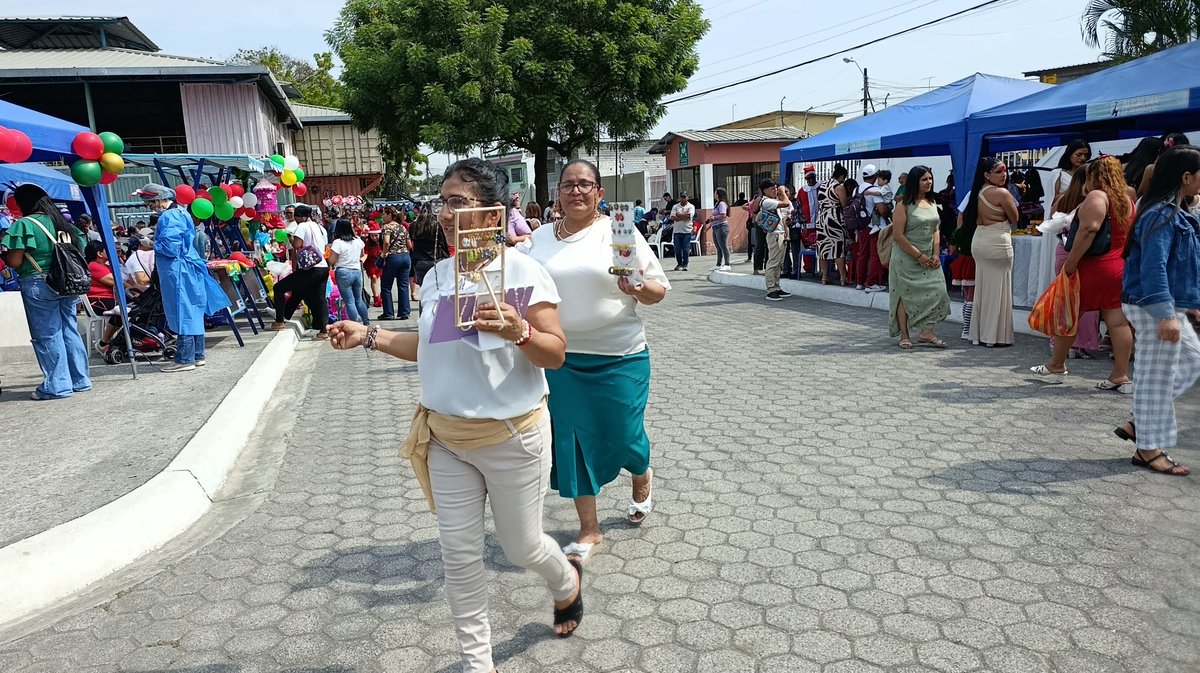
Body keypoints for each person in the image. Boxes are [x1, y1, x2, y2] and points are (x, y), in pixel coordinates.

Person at [333, 159, 585, 669]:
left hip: (514, 438)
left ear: (494, 210)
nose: (444, 213)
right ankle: (478, 664)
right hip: (445, 438)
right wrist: (372, 336)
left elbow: (555, 353)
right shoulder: (437, 278)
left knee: (522, 547)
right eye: (441, 202)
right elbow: (431, 347)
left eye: (457, 202)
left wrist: (521, 332)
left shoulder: (524, 273)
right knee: (460, 558)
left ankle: (566, 581)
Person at [524, 158, 669, 563]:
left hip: (620, 356)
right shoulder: (539, 238)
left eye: (585, 184)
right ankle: (590, 530)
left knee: (624, 436)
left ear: (599, 193)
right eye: (568, 185)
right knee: (572, 444)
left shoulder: (619, 231)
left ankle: (641, 472)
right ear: (557, 194)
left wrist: (638, 287)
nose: (575, 191)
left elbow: (658, 290)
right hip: (561, 360)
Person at [1116, 145, 1200, 476]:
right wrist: (1167, 313)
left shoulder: (1172, 212)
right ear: (1186, 177)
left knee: (1189, 364)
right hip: (1153, 305)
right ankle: (1148, 448)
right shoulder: (1161, 214)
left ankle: (1141, 423)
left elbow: (1178, 267)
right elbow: (1154, 268)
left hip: (1161, 304)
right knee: (1156, 376)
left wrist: (1188, 306)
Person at [1031, 156, 1136, 391]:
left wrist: (1071, 262)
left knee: (1068, 314)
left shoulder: (1097, 196)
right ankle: (1121, 375)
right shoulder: (1127, 199)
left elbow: (1089, 229)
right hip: (1117, 265)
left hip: (1093, 266)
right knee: (1118, 322)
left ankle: (1057, 363)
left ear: (1093, 175)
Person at [2, 184, 91, 399]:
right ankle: (80, 380)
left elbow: (15, 261)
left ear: (23, 204)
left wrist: (4, 255)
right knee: (69, 329)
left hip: (38, 281)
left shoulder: (24, 225)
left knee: (47, 334)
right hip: (69, 282)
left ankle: (57, 385)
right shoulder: (64, 223)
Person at [137, 184, 230, 371]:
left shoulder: (169, 216)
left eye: (149, 202)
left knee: (183, 313)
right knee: (193, 313)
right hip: (186, 269)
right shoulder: (181, 212)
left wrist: (151, 244)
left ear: (157, 199)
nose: (149, 206)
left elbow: (171, 248)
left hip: (178, 270)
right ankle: (197, 355)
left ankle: (184, 359)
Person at [889, 166, 951, 349]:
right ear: (915, 181)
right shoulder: (903, 206)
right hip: (906, 256)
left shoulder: (932, 204)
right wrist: (919, 256)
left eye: (930, 178)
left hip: (929, 257)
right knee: (905, 295)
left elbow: (936, 230)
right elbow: (898, 236)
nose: (929, 182)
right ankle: (905, 335)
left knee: (939, 291)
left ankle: (926, 332)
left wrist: (935, 254)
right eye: (924, 179)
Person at [961, 158, 1017, 347]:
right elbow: (1014, 217)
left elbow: (962, 215)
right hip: (997, 240)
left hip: (980, 239)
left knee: (983, 288)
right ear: (986, 175)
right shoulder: (1002, 193)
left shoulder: (975, 193)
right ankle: (994, 336)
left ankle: (978, 334)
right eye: (999, 171)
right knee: (999, 289)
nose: (1004, 175)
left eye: (1004, 171)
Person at [1052, 166, 1104, 360]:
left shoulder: (1062, 199)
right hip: (1086, 253)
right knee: (1086, 301)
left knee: (1065, 298)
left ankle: (1058, 344)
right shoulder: (1096, 201)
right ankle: (1082, 344)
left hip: (1063, 250)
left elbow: (1052, 224)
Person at [270, 204, 331, 340]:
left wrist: (291, 239)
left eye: (296, 216)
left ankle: (280, 321)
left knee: (278, 288)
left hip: (310, 268)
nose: (295, 220)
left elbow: (297, 245)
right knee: (318, 299)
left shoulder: (303, 226)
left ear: (302, 216)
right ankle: (322, 331)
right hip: (322, 266)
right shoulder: (320, 227)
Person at [852, 165, 889, 292]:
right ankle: (871, 283)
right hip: (874, 226)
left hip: (861, 226)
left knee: (862, 254)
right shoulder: (875, 190)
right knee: (875, 255)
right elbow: (882, 210)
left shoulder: (856, 189)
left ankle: (860, 282)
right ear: (874, 176)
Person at [329, 218, 370, 326]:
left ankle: (355, 324)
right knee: (359, 299)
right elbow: (362, 254)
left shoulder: (337, 242)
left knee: (349, 301)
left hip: (343, 272)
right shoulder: (358, 240)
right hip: (357, 271)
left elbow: (332, 260)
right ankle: (366, 322)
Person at [85, 240, 123, 354]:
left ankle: (113, 341)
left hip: (107, 299)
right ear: (99, 254)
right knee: (124, 311)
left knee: (132, 308)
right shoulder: (94, 266)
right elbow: (117, 282)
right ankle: (104, 343)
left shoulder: (106, 266)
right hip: (98, 301)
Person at [758, 180, 793, 301]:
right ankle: (771, 289)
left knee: (779, 263)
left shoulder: (772, 201)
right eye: (773, 188)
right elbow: (786, 203)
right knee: (773, 262)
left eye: (776, 188)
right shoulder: (767, 202)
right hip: (774, 235)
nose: (775, 190)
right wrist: (783, 192)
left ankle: (777, 287)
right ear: (765, 190)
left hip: (780, 233)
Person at [816, 163, 850, 285]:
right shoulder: (838, 187)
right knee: (838, 248)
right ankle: (842, 278)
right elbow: (844, 204)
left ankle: (824, 277)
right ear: (841, 176)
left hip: (822, 218)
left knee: (823, 248)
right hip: (834, 218)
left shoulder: (822, 185)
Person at [409, 203, 448, 302]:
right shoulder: (437, 226)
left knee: (424, 290)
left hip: (420, 261)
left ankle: (423, 313)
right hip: (436, 259)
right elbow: (443, 243)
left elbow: (412, 240)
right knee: (438, 290)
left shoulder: (413, 226)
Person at [1134, 133, 1190, 200]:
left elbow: (1141, 194)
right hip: (1186, 204)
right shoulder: (1190, 169)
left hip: (1156, 204)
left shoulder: (1152, 169)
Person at [379, 207, 413, 320]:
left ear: (389, 215)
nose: (382, 217)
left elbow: (387, 242)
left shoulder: (386, 227)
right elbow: (409, 245)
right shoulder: (402, 227)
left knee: (386, 286)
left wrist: (384, 253)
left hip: (393, 257)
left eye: (384, 214)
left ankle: (388, 313)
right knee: (403, 285)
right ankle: (405, 312)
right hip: (405, 257)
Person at [1052, 139, 1092, 208]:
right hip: (1063, 212)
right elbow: (1052, 199)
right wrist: (1074, 190)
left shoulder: (1088, 172)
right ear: (1069, 154)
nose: (1083, 158)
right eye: (1078, 155)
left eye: (1085, 155)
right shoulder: (1058, 173)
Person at [669, 191, 695, 271]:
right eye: (682, 197)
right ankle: (679, 263)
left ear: (687, 197)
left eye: (685, 197)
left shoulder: (690, 206)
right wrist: (683, 217)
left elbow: (689, 216)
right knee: (677, 249)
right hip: (677, 231)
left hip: (687, 230)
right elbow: (672, 217)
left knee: (685, 249)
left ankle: (685, 264)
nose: (683, 199)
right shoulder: (675, 206)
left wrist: (678, 215)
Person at [707, 188, 731, 271]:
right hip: (716, 227)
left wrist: (714, 218)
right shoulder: (717, 203)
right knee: (718, 246)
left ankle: (727, 264)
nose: (714, 194)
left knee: (723, 246)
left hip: (721, 227)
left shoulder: (722, 204)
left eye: (715, 193)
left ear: (718, 194)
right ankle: (718, 263)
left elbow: (723, 215)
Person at [364, 222, 383, 306]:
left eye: (376, 235)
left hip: (381, 262)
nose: (374, 237)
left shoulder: (383, 242)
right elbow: (365, 254)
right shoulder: (367, 243)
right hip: (370, 263)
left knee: (382, 278)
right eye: (372, 235)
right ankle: (376, 297)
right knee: (374, 278)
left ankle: (381, 296)